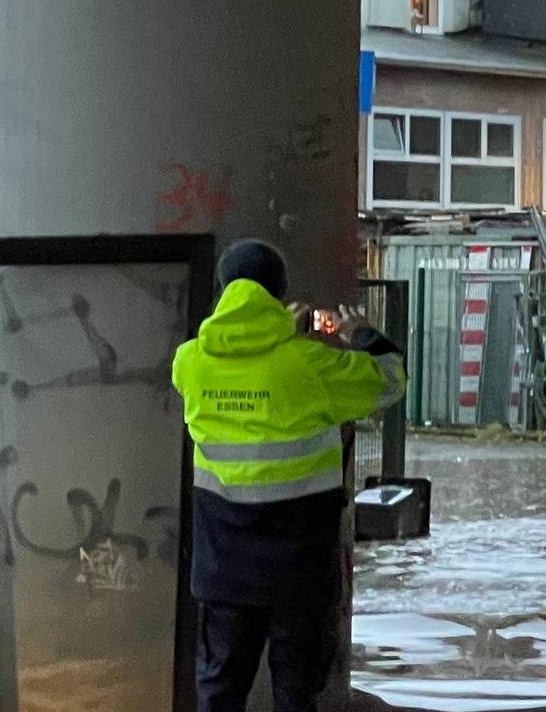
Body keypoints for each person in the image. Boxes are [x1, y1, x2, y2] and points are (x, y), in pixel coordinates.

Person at [171, 239, 406, 712]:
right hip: (298, 572)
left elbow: (247, 370)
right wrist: (359, 334)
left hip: (222, 569)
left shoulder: (189, 363)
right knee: (296, 692)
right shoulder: (308, 366)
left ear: (222, 292)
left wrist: (278, 333)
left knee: (219, 691)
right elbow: (390, 378)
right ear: (279, 296)